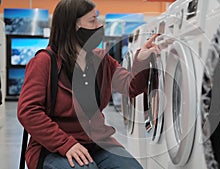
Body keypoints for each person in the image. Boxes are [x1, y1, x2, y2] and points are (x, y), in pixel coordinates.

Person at [17, 0, 160, 169]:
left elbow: (130, 86)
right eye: (93, 21)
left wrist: (142, 60)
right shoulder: (44, 62)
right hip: (52, 147)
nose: (99, 26)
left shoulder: (101, 59)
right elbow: (28, 111)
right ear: (72, 28)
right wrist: (66, 144)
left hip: (98, 144)